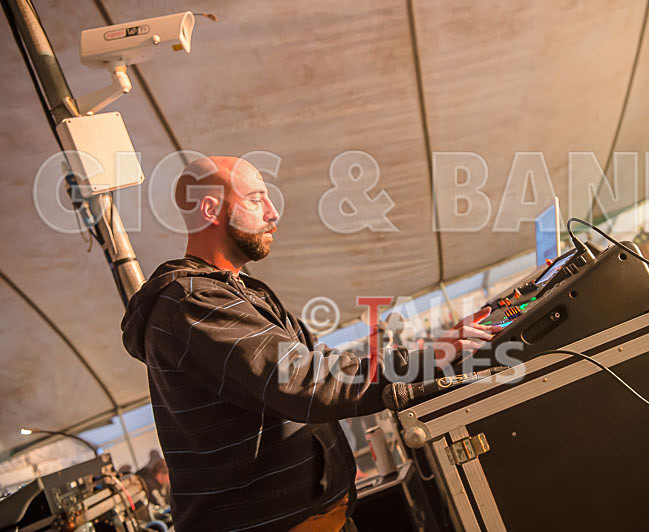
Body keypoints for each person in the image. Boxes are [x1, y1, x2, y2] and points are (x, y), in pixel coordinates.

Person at [120, 156, 500, 531]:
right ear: (210, 209)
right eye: (256, 199)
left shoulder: (238, 292)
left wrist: (428, 352)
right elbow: (302, 380)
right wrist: (424, 359)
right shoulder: (192, 302)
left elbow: (318, 362)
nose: (272, 213)